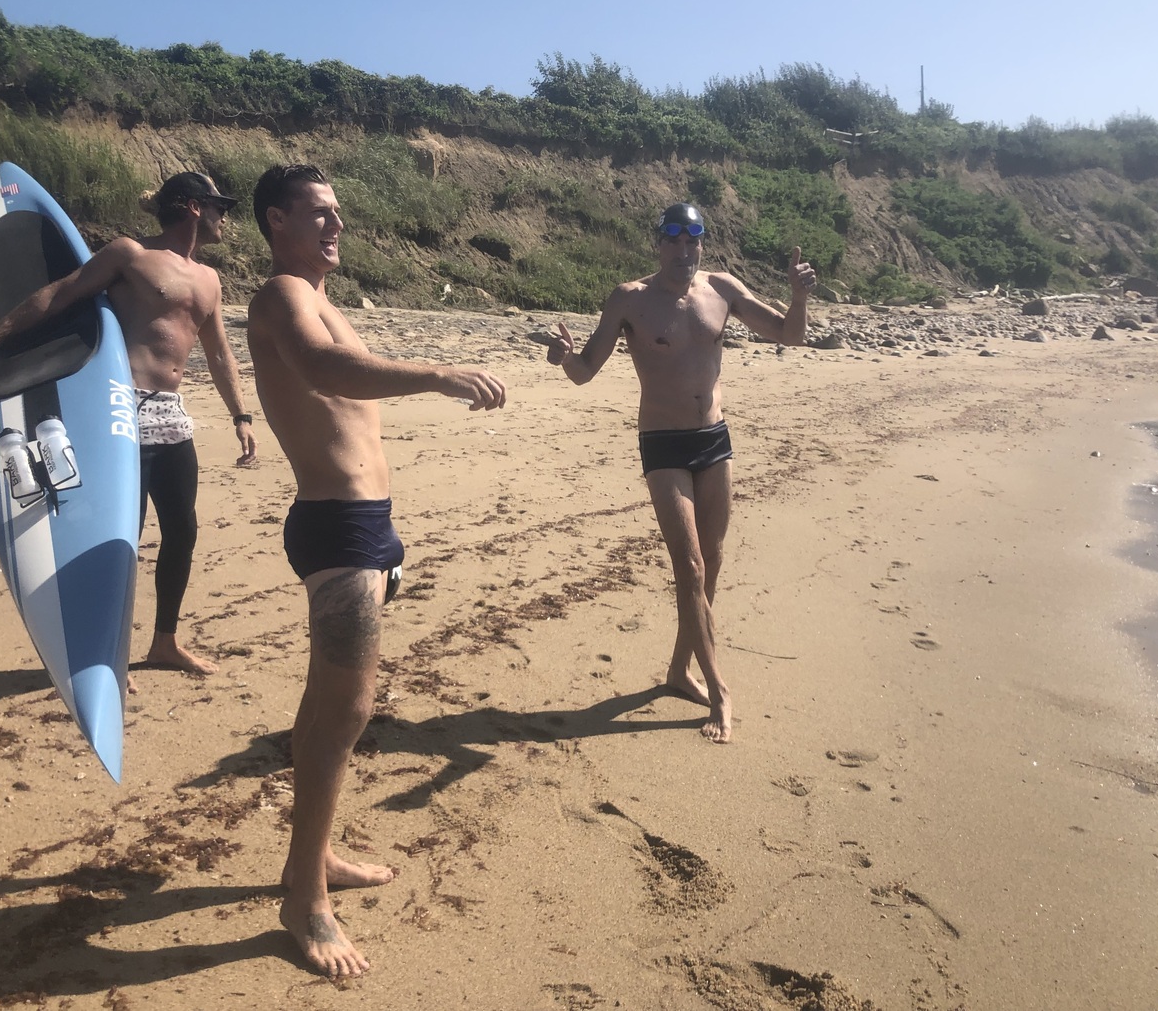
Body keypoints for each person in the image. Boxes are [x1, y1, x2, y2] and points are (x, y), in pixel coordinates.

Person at [245, 163, 506, 977]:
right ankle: (302, 902)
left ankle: (313, 856)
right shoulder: (282, 297)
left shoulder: (324, 301)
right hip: (336, 529)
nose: (337, 226)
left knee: (327, 706)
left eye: (339, 213)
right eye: (319, 213)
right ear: (277, 219)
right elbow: (326, 373)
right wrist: (434, 372)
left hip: (367, 528)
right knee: (347, 708)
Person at [0, 171, 257, 678]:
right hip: (121, 410)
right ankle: (105, 653)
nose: (227, 216)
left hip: (172, 416)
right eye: (220, 205)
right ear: (194, 207)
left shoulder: (209, 279)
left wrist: (240, 415)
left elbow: (220, 352)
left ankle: (165, 643)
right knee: (122, 538)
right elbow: (60, 294)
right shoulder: (131, 255)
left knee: (183, 531)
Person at [547, 202, 816, 744]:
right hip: (664, 443)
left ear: (701, 245)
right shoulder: (630, 300)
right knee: (689, 567)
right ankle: (719, 689)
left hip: (714, 440)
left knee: (711, 561)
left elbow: (790, 334)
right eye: (673, 240)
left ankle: (678, 670)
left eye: (692, 240)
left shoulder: (722, 289)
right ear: (659, 245)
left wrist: (800, 295)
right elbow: (584, 373)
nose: (683, 250)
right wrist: (562, 358)